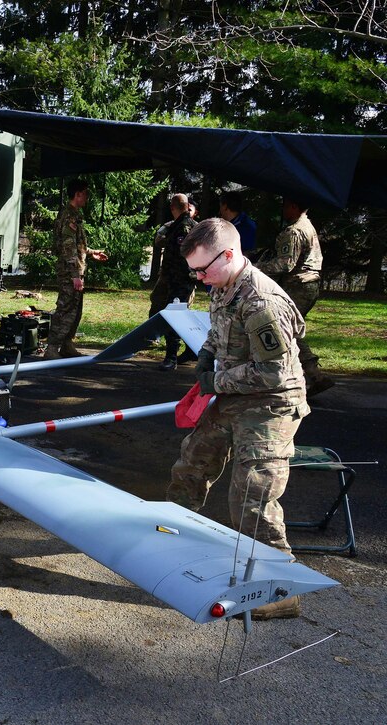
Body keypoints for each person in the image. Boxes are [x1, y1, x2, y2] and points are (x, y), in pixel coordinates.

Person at [166, 218, 310, 620]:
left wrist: (217, 378)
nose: (199, 278)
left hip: (270, 403)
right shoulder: (222, 282)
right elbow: (217, 330)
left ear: (229, 255)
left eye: (203, 269)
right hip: (233, 394)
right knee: (191, 465)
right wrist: (207, 355)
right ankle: (169, 549)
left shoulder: (263, 302)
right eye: (193, 270)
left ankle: (280, 589)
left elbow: (275, 373)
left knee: (252, 495)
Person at [255, 198, 332, 396]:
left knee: (286, 330)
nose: (283, 209)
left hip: (298, 286)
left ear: (294, 206)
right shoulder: (308, 225)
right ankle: (312, 376)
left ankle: (310, 376)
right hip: (309, 285)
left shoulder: (294, 231)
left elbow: (285, 265)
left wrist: (255, 269)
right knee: (288, 329)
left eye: (285, 205)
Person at [44, 178, 107, 359]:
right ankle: (52, 349)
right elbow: (68, 247)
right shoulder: (69, 216)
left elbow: (76, 245)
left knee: (75, 309)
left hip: (74, 270)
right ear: (78, 194)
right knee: (65, 308)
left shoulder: (74, 215)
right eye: (85, 193)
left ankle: (66, 344)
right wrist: (75, 275)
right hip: (69, 272)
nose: (87, 197)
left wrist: (91, 252)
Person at [150, 193, 198, 370]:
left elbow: (181, 256)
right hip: (177, 279)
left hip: (180, 279)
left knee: (175, 317)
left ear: (173, 207)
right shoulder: (184, 225)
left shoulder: (184, 227)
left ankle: (171, 358)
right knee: (181, 315)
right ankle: (191, 349)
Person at [218, 190, 257, 254]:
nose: (219, 210)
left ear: (225, 207)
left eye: (220, 206)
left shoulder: (247, 227)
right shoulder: (244, 223)